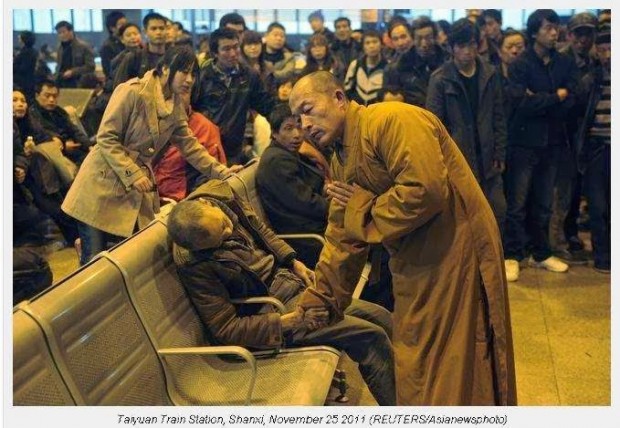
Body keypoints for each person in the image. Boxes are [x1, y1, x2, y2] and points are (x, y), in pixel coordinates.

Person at [289, 71, 516, 405]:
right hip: (414, 261)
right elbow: (343, 236)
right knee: (416, 359)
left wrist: (362, 208)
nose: (303, 124)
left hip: (457, 249)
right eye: (297, 117)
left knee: (455, 361)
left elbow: (425, 190)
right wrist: (320, 302)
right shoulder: (340, 157)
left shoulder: (392, 119)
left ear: (339, 97)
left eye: (308, 108)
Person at [168, 179, 396, 406]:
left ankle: (413, 392)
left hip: (292, 286)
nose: (229, 233)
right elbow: (226, 329)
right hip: (274, 312)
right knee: (370, 337)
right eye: (220, 240)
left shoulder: (224, 198)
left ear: (210, 205)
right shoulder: (193, 263)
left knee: (381, 315)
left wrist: (292, 261)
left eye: (224, 226)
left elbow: (261, 230)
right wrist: (290, 322)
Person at [61, 47, 235, 265]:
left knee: (132, 256)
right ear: (164, 69)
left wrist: (222, 172)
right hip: (101, 184)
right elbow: (106, 137)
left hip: (135, 189)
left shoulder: (176, 104)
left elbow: (190, 146)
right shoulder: (131, 91)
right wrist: (133, 173)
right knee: (93, 259)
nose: (190, 80)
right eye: (184, 71)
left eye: (193, 74)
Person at [503, 10, 579, 281]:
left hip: (553, 141)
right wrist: (554, 97)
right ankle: (512, 254)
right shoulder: (521, 64)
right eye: (548, 28)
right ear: (534, 32)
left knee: (544, 203)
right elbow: (520, 102)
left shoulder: (564, 62)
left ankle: (541, 252)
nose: (554, 32)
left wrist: (542, 99)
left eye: (556, 27)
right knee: (518, 202)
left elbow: (573, 96)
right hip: (523, 142)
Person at [426, 18, 507, 240]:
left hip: (488, 154)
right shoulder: (440, 79)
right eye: (461, 46)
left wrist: (500, 151)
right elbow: (434, 125)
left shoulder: (489, 73)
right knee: (463, 215)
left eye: (471, 44)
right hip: (458, 156)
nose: (467, 51)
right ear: (452, 48)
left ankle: (497, 257)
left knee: (497, 209)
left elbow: (499, 116)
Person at [256, 104, 329, 268]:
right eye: (288, 129)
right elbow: (306, 203)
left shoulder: (287, 153)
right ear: (274, 133)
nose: (296, 135)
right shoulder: (276, 161)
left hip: (311, 224)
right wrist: (339, 209)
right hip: (303, 236)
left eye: (299, 127)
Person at [192, 28, 275, 164]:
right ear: (215, 53)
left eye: (236, 47)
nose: (233, 53)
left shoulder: (249, 76)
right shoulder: (201, 78)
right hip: (205, 148)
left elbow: (267, 106)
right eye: (226, 49)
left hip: (235, 149)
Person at [577, 26, 611, 273]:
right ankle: (602, 256)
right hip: (596, 147)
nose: (607, 55)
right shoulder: (592, 79)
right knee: (598, 206)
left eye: (611, 49)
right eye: (602, 50)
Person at [113, 12, 168, 88]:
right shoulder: (134, 58)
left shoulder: (173, 57)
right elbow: (119, 88)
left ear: (166, 30)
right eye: (153, 29)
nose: (158, 32)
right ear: (145, 32)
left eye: (161, 28)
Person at [344, 30, 388, 106]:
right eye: (367, 43)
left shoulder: (388, 67)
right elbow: (347, 89)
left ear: (381, 45)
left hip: (379, 111)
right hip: (358, 111)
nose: (371, 46)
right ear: (363, 46)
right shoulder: (355, 64)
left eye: (375, 42)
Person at [53, 21, 96, 88]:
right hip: (61, 82)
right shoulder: (59, 48)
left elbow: (90, 66)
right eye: (59, 33)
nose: (61, 35)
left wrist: (73, 72)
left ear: (71, 31)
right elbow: (59, 65)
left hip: (78, 82)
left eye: (63, 32)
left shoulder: (83, 47)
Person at [100, 11, 127, 81]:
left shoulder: (128, 42)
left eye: (126, 23)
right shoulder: (107, 46)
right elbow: (108, 71)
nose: (126, 27)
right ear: (112, 28)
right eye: (121, 24)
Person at [13, 31, 39, 101]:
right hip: (27, 81)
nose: (18, 37)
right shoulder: (29, 50)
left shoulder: (27, 52)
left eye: (20, 36)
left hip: (24, 83)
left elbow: (23, 68)